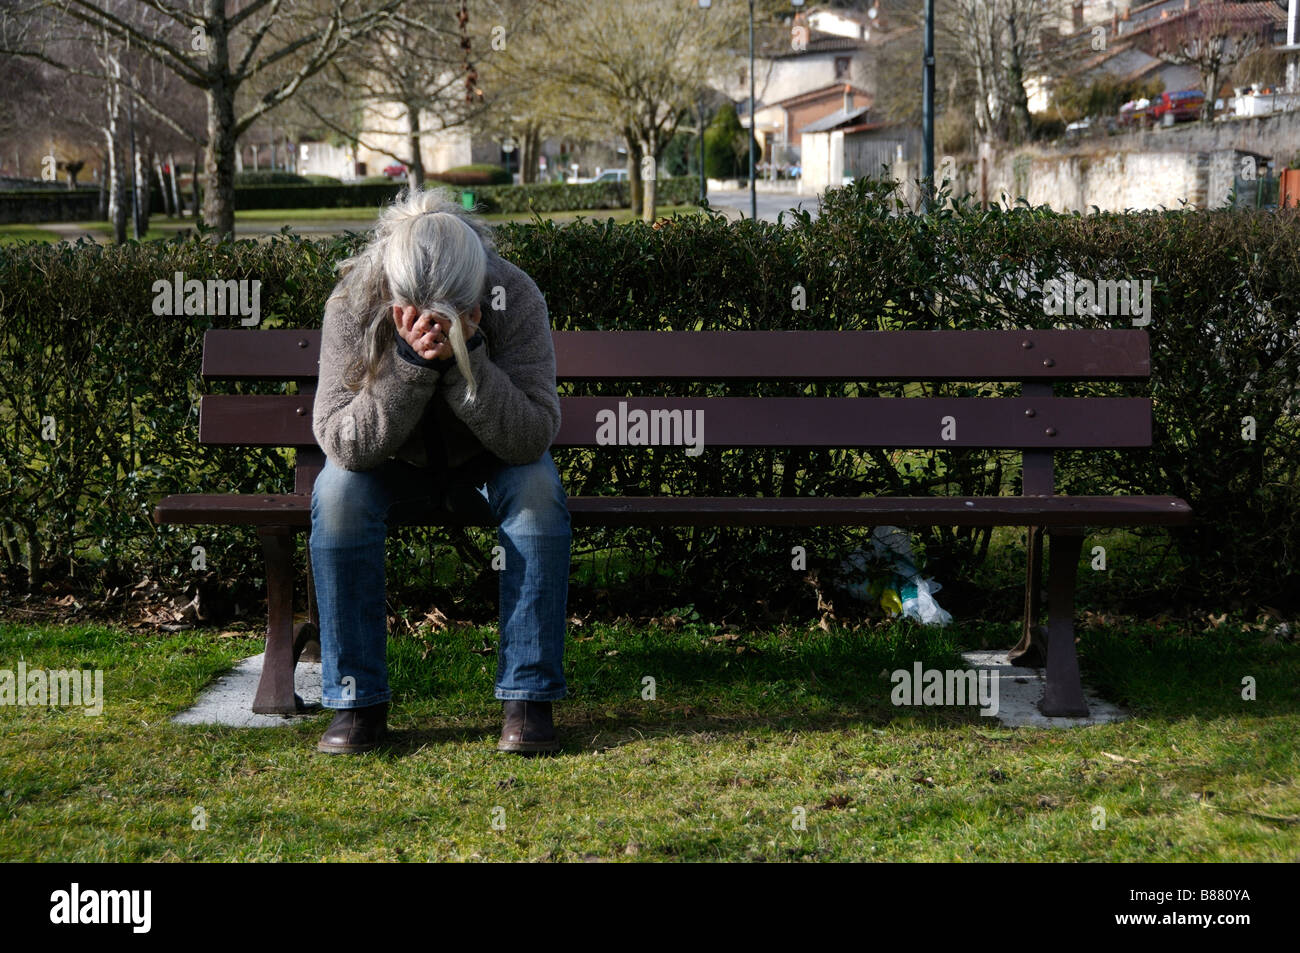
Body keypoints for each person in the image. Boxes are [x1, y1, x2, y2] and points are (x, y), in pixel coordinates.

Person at [309, 187, 570, 755]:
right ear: (393, 291)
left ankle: (528, 696)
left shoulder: (515, 294)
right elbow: (342, 443)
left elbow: (530, 436)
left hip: (491, 464)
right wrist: (406, 367)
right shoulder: (355, 301)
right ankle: (357, 703)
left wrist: (468, 361)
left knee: (538, 492)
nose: (434, 322)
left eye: (451, 311)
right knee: (338, 497)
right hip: (389, 465)